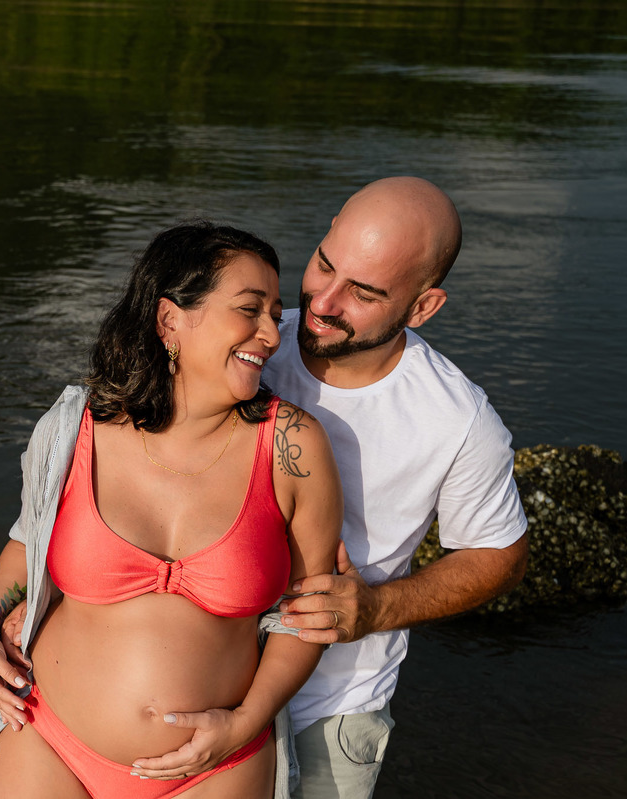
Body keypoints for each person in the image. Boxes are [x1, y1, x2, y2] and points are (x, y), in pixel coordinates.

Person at [132, 177, 530, 798]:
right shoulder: (242, 343)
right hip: (183, 686)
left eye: (363, 293)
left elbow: (500, 555)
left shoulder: (457, 420)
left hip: (329, 710)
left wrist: (378, 609)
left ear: (422, 308)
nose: (321, 302)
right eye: (323, 263)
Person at [0, 222, 343, 798]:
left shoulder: (293, 447)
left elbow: (309, 613)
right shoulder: (75, 427)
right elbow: (28, 543)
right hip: (45, 737)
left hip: (216, 766)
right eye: (250, 309)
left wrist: (246, 721)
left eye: (276, 313)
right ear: (169, 320)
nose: (271, 333)